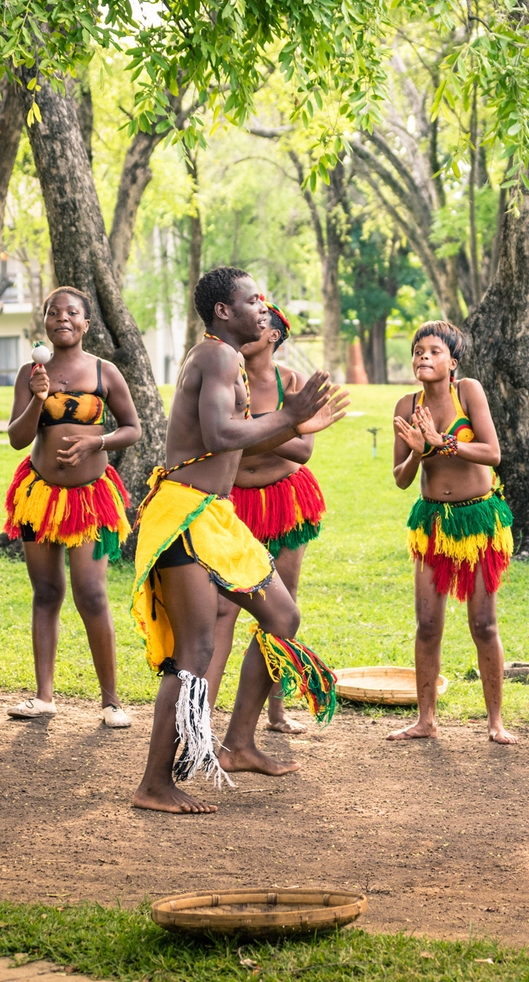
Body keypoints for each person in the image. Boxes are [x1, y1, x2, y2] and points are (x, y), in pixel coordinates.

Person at [129, 267, 349, 814]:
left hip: (215, 515)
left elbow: (248, 439)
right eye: (253, 300)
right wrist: (289, 416)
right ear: (224, 311)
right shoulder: (217, 357)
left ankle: (240, 742)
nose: (263, 308)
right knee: (196, 650)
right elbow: (221, 436)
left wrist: (296, 425)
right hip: (184, 514)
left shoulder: (225, 362)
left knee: (282, 617)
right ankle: (154, 783)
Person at [1, 286, 141, 728]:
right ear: (44, 322)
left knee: (92, 593)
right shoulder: (31, 372)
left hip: (92, 497)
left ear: (85, 324)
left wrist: (95, 442)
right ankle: (44, 698)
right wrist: (38, 398)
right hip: (40, 495)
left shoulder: (105, 372)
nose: (62, 317)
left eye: (72, 312)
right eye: (53, 312)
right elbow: (17, 439)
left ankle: (111, 701)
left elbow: (133, 429)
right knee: (46, 593)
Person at [388, 320, 516, 744]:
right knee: (427, 623)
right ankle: (426, 720)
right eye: (419, 350)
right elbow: (401, 479)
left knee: (483, 623)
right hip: (432, 522)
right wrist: (419, 452)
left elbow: (492, 453)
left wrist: (442, 443)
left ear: (452, 362)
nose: (424, 356)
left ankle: (495, 721)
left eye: (434, 351)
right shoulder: (406, 405)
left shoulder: (469, 392)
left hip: (478, 518)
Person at [202, 301, 324, 735]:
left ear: (274, 334)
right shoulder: (222, 374)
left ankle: (274, 711)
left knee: (281, 605)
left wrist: (253, 428)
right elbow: (220, 442)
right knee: (222, 607)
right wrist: (279, 427)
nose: (251, 323)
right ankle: (203, 717)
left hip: (286, 499)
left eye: (261, 320)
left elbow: (303, 451)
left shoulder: (290, 381)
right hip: (234, 500)